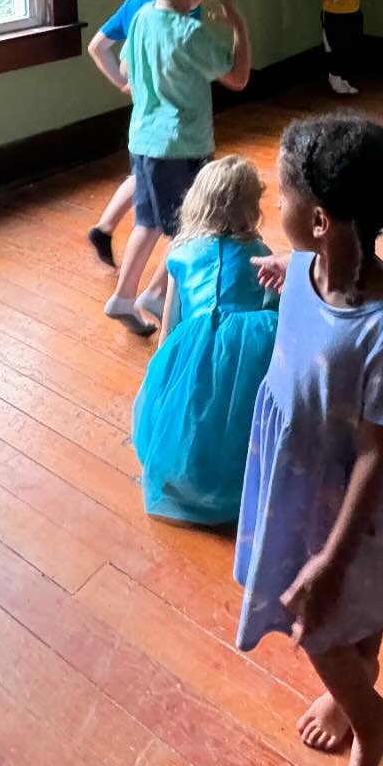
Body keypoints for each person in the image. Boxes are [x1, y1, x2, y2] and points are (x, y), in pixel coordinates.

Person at [235, 115, 383, 766]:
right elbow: (312, 294)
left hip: (351, 507)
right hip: (298, 480)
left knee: (318, 620)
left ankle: (371, 722)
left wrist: (329, 556)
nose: (269, 196)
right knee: (350, 619)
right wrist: (292, 278)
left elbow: (380, 452)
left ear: (318, 220)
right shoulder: (308, 267)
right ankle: (354, 697)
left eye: (279, 190)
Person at [102, 0, 251, 335]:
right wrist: (239, 28)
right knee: (191, 233)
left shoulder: (141, 19)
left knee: (148, 223)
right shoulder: (190, 33)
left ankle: (127, 295)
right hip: (182, 148)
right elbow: (237, 78)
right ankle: (164, 314)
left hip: (143, 143)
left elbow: (129, 73)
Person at [131, 156, 278, 523]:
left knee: (191, 409)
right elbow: (273, 303)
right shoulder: (259, 254)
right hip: (248, 350)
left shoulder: (180, 253)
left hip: (192, 346)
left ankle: (187, 474)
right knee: (236, 415)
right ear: (250, 208)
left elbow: (169, 326)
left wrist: (162, 371)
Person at [86, 0, 188, 267]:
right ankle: (166, 284)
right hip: (174, 119)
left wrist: (122, 82)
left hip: (144, 115)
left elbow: (98, 47)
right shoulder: (182, 5)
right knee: (173, 203)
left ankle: (103, 228)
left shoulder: (133, 5)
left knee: (142, 176)